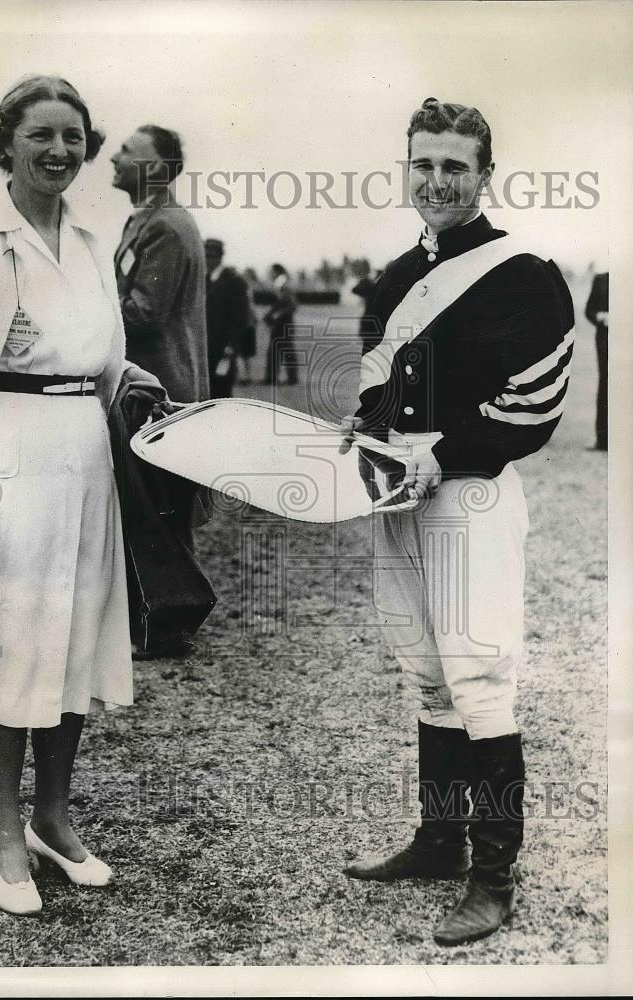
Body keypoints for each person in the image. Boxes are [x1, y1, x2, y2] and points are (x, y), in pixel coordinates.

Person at [0, 76, 164, 915]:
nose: (59, 151)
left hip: (84, 465)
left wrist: (135, 382)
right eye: (40, 136)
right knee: (10, 645)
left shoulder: (93, 240)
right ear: (4, 144)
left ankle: (55, 821)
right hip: (4, 466)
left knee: (70, 643)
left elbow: (97, 359)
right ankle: (3, 833)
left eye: (72, 137)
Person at [339, 97, 574, 946]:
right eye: (423, 164)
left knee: (478, 679)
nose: (437, 179)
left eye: (453, 165)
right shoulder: (398, 273)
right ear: (407, 170)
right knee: (426, 675)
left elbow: (537, 404)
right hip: (397, 493)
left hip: (469, 492)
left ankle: (492, 873)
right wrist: (367, 431)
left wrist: (440, 451)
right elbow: (370, 371)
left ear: (482, 174)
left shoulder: (523, 273)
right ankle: (438, 842)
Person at [112, 124, 208, 405]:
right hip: (152, 388)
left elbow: (143, 314)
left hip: (157, 392)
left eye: (126, 151)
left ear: (153, 168)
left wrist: (86, 301)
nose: (114, 158)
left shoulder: (164, 226)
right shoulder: (150, 220)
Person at [204, 238, 252, 398]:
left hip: (224, 348)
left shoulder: (234, 281)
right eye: (205, 256)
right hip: (206, 347)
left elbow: (240, 317)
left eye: (211, 256)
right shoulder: (204, 280)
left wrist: (232, 345)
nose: (207, 260)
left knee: (222, 391)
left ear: (219, 257)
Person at [262, 263, 298, 385]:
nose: (269, 273)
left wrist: (275, 315)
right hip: (281, 324)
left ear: (276, 271)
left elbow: (291, 305)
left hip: (283, 324)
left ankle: (277, 378)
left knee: (282, 351)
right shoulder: (282, 283)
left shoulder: (284, 285)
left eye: (271, 271)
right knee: (279, 350)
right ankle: (275, 378)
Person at [584, 271, 608, 451]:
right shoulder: (600, 279)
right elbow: (589, 310)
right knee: (606, 386)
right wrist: (600, 316)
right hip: (605, 342)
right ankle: (603, 440)